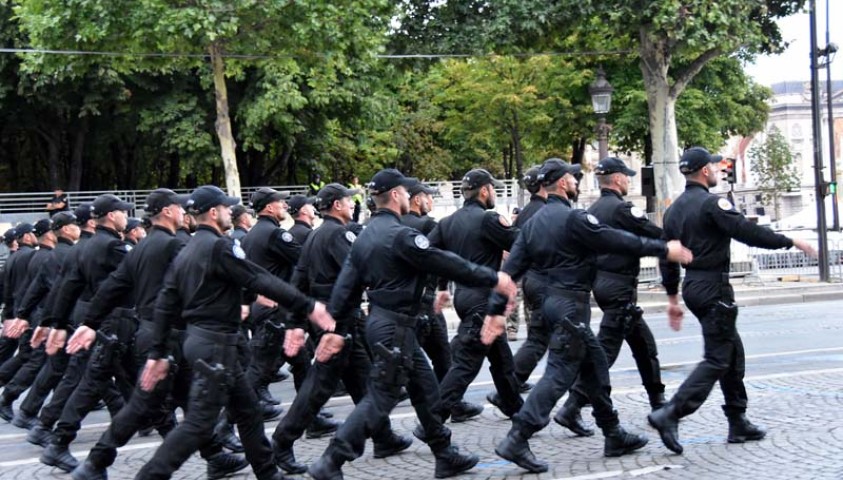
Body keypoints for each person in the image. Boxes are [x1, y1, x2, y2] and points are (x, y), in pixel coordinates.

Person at [307, 169, 517, 480]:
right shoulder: (401, 235)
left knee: (426, 389)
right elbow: (443, 261)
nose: (410, 197)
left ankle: (444, 453)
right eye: (406, 192)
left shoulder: (365, 235)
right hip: (395, 326)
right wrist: (493, 277)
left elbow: (346, 285)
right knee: (380, 397)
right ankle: (331, 460)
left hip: (388, 324)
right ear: (395, 195)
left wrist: (336, 329)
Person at [489, 159, 693, 473]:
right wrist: (664, 249)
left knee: (596, 364)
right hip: (572, 305)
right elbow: (616, 239)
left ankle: (613, 433)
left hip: (552, 303)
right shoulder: (574, 218)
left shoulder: (532, 224)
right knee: (558, 374)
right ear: (560, 184)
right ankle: (518, 437)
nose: (576, 182)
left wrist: (495, 312)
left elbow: (508, 272)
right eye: (572, 178)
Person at [134, 185, 335, 480]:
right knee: (198, 425)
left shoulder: (188, 246)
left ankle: (268, 473)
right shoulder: (218, 246)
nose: (232, 212)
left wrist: (159, 351)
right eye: (227, 208)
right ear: (213, 213)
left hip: (206, 342)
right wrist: (307, 305)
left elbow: (166, 301)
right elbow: (257, 277)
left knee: (249, 412)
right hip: (215, 343)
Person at [68, 188, 247, 480]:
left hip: (153, 333)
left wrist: (90, 322)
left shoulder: (140, 246)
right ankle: (95, 462)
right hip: (169, 337)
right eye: (179, 207)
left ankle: (214, 454)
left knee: (191, 399)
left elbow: (112, 287)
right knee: (142, 406)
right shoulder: (176, 245)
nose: (183, 212)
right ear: (167, 211)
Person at [648, 147, 817, 455]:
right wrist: (790, 241)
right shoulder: (713, 204)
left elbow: (667, 257)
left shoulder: (673, 210)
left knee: (732, 351)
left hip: (693, 286)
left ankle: (737, 421)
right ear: (704, 172)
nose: (719, 170)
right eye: (715, 165)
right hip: (714, 287)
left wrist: (673, 296)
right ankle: (671, 412)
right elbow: (747, 232)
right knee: (717, 358)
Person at [271, 183, 411, 474]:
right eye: (349, 202)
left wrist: (297, 323)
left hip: (331, 317)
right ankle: (281, 442)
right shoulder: (337, 234)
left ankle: (383, 436)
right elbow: (359, 270)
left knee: (363, 379)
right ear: (337, 205)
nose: (352, 206)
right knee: (318, 386)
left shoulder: (314, 235)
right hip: (338, 319)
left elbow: (299, 281)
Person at [555, 157, 667, 437]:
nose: (629, 180)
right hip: (619, 286)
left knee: (643, 345)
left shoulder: (592, 210)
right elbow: (653, 233)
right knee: (605, 352)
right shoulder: (622, 209)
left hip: (602, 283)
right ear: (617, 179)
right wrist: (676, 241)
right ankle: (572, 406)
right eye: (626, 176)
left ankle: (658, 401)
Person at [38, 194, 137, 472]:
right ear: (110, 216)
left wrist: (55, 323)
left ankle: (197, 441)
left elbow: (67, 287)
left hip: (101, 322)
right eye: (122, 212)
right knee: (95, 381)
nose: (126, 216)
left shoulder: (83, 247)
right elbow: (132, 281)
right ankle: (60, 441)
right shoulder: (114, 246)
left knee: (136, 381)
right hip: (114, 322)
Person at [428, 168, 523, 423]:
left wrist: (441, 288)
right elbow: (519, 244)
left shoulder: (447, 223)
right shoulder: (488, 219)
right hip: (483, 299)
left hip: (463, 297)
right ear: (484, 190)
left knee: (501, 358)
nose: (494, 192)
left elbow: (432, 256)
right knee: (466, 362)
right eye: (492, 188)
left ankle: (516, 408)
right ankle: (433, 419)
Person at [489, 164, 546, 403]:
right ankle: (511, 387)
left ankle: (512, 386)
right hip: (544, 279)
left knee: (540, 338)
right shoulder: (544, 211)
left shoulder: (524, 213)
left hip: (530, 277)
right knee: (540, 339)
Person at [0, 218, 59, 421]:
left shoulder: (18, 257)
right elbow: (42, 289)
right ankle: (11, 397)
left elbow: (10, 290)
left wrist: (12, 314)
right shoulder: (37, 256)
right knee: (35, 359)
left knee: (32, 357)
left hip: (26, 311)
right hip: (35, 313)